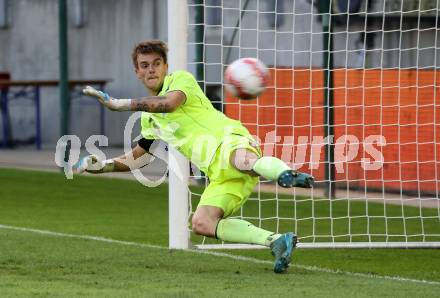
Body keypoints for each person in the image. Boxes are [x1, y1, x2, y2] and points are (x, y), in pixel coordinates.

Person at [77, 40, 314, 273]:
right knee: (202, 223)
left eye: (156, 63)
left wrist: (120, 104)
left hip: (230, 140)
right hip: (218, 173)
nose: (151, 69)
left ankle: (284, 173)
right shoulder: (148, 119)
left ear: (166, 67)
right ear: (137, 72)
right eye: (145, 65)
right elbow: (139, 157)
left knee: (242, 161)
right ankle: (276, 241)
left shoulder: (180, 80)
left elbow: (169, 104)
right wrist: (102, 166)